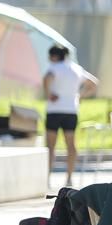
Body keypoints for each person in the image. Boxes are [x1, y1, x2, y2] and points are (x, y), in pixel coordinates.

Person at [43, 45, 98, 187]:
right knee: (71, 145)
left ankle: (47, 177)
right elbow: (93, 83)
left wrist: (49, 93)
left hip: (54, 110)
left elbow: (47, 78)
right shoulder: (76, 68)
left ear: (54, 56)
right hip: (71, 110)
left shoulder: (54, 67)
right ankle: (69, 177)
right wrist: (80, 96)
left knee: (50, 146)